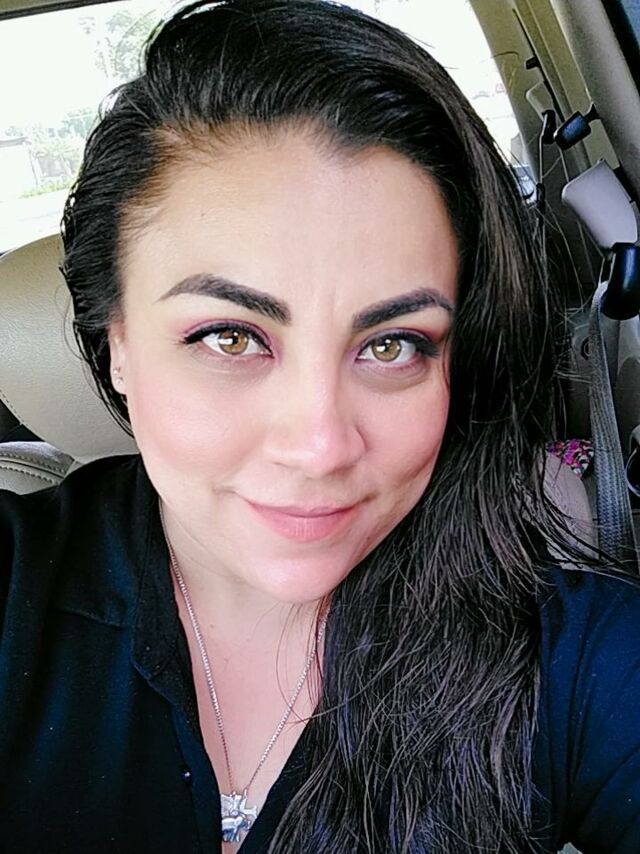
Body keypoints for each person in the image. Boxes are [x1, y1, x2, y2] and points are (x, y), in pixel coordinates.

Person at [1, 0, 640, 851]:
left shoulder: (572, 657)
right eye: (229, 337)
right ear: (116, 342)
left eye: (392, 344)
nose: (320, 446)